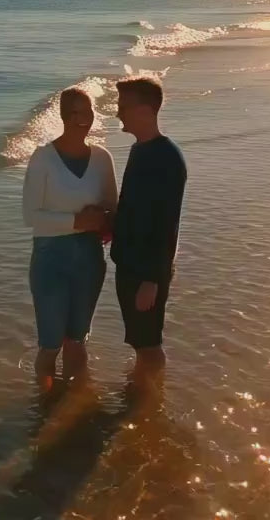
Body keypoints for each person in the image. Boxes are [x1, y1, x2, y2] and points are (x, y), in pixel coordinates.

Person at [21, 88, 118, 390]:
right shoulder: (43, 158)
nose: (84, 119)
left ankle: (74, 404)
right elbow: (30, 216)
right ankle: (45, 402)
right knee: (50, 344)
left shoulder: (102, 158)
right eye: (77, 113)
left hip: (89, 258)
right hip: (51, 260)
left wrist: (102, 218)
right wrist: (77, 221)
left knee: (77, 341)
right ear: (64, 117)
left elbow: (113, 208)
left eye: (88, 112)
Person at [110, 76, 187, 379]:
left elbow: (167, 223)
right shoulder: (139, 149)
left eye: (123, 107)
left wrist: (152, 280)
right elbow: (134, 208)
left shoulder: (166, 157)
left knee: (149, 345)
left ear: (144, 111)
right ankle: (143, 393)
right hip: (131, 264)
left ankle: (150, 400)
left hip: (146, 271)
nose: (118, 113)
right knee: (140, 341)